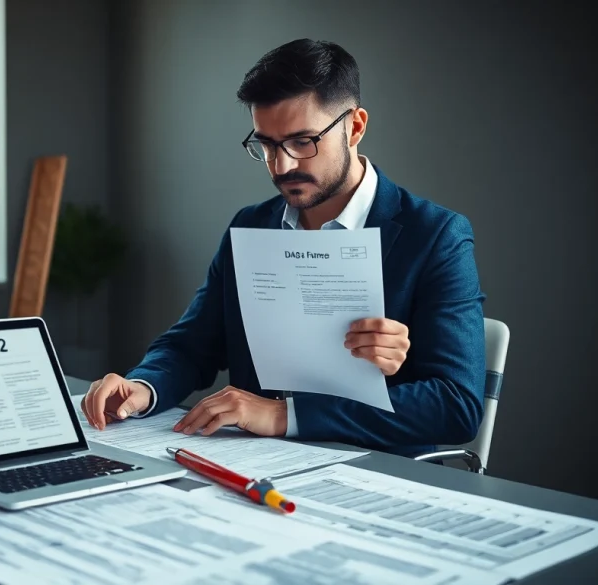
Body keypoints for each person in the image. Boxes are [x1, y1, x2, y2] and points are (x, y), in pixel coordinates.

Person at [80, 39, 486, 458]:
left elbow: (456, 405)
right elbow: (191, 345)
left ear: (356, 127)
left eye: (303, 141)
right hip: (254, 466)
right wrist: (143, 388)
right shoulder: (251, 224)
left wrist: (283, 414)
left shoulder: (436, 236)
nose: (283, 164)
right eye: (268, 144)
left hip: (378, 471)